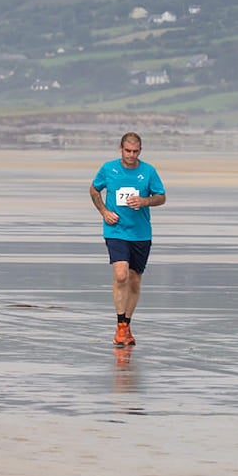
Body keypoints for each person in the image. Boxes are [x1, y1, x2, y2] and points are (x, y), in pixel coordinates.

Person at [89, 132, 167, 346]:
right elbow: (94, 190)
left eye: (135, 151)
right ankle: (120, 325)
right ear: (120, 149)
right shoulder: (109, 169)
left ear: (140, 151)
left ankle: (127, 325)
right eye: (127, 151)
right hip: (116, 231)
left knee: (134, 280)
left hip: (141, 233)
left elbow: (161, 197)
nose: (131, 155)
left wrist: (144, 201)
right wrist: (104, 212)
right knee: (121, 274)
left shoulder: (148, 171)